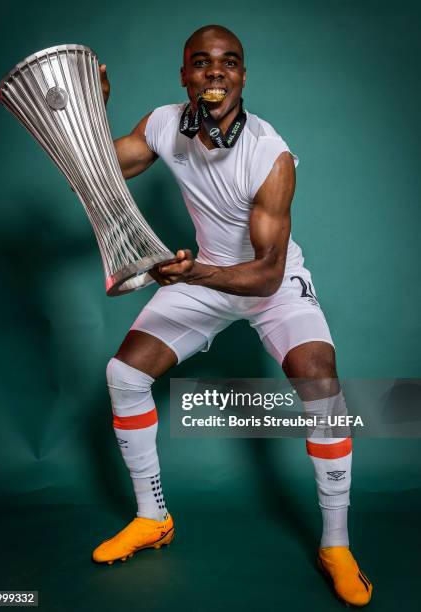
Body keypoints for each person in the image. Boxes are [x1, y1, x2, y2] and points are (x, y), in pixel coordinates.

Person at [92, 25, 372, 607]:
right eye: (201, 62)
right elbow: (102, 167)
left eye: (228, 63)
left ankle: (337, 546)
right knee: (125, 375)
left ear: (243, 76)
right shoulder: (166, 124)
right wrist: (90, 114)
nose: (214, 71)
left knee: (322, 387)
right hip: (203, 275)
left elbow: (268, 272)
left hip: (268, 283)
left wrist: (191, 273)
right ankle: (153, 518)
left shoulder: (270, 155)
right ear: (185, 76)